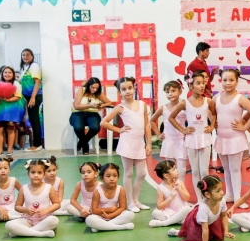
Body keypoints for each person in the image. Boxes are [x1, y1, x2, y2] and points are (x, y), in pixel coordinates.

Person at [102, 77, 152, 212]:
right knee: (128, 173)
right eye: (124, 89)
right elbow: (103, 122)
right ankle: (130, 202)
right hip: (127, 142)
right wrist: (119, 130)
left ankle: (136, 200)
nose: (128, 91)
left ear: (134, 88)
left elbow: (147, 125)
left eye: (130, 88)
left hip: (139, 142)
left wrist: (148, 144)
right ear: (120, 92)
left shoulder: (142, 104)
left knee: (141, 173)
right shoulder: (120, 108)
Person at [213, 69, 250, 208]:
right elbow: (211, 112)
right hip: (221, 138)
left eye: (231, 80)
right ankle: (229, 194)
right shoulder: (216, 98)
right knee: (226, 169)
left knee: (235, 169)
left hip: (235, 139)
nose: (228, 83)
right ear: (221, 81)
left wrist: (245, 127)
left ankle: (238, 198)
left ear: (237, 81)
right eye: (225, 80)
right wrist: (213, 123)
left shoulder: (240, 98)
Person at [168, 71, 216, 202]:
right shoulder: (184, 103)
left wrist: (212, 126)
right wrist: (183, 130)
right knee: (195, 171)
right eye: (198, 83)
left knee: (204, 171)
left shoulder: (208, 101)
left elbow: (214, 114)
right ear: (190, 86)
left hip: (204, 138)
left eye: (203, 83)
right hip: (191, 139)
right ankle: (200, 200)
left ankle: (206, 197)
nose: (202, 86)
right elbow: (171, 117)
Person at [168, 175, 236, 241]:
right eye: (218, 191)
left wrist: (226, 231)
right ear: (208, 194)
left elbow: (224, 216)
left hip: (210, 221)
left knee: (213, 236)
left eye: (222, 189)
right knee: (192, 236)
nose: (222, 193)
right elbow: (205, 229)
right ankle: (176, 232)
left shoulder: (222, 201)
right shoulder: (203, 208)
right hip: (197, 224)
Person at [5, 159, 60, 238]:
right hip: (28, 221)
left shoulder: (49, 188)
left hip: (45, 220)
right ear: (28, 174)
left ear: (44, 174)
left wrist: (46, 210)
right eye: (33, 172)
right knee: (8, 225)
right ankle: (40, 233)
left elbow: (57, 204)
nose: (36, 175)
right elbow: (17, 206)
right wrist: (26, 210)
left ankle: (23, 232)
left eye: (39, 173)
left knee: (54, 220)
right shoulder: (23, 188)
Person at [150, 80, 188, 180]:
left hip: (181, 140)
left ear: (180, 91)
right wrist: (158, 134)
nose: (170, 94)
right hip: (168, 140)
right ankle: (171, 188)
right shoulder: (163, 108)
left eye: (173, 91)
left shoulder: (184, 106)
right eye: (167, 92)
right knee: (170, 169)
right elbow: (152, 120)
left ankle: (181, 187)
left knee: (181, 170)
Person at [86, 163, 135, 232]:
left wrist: (110, 216)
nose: (112, 179)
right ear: (102, 178)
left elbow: (123, 208)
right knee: (89, 219)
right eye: (108, 176)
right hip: (101, 217)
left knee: (130, 214)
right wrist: (110, 209)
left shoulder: (120, 189)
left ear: (118, 177)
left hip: (116, 216)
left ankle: (101, 227)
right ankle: (120, 227)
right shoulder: (97, 190)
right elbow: (95, 210)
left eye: (115, 176)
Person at [70, 77, 112, 155]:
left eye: (97, 88)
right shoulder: (81, 90)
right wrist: (90, 105)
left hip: (92, 114)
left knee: (95, 128)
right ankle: (85, 145)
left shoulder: (98, 93)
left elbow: (109, 102)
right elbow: (76, 106)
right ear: (88, 85)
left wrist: (102, 105)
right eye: (93, 87)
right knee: (78, 127)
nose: (95, 90)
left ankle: (81, 143)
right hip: (78, 113)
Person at [149, 160, 193, 227]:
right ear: (166, 175)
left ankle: (165, 223)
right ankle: (179, 220)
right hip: (170, 212)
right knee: (155, 213)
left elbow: (187, 198)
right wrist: (170, 197)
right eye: (174, 169)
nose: (177, 170)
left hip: (182, 210)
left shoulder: (180, 183)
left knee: (187, 209)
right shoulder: (161, 188)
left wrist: (179, 189)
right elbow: (159, 206)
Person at [0, 66, 23, 159]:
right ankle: (0, 150)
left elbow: (18, 96)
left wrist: (7, 100)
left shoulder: (16, 84)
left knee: (10, 130)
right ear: (2, 73)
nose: (7, 74)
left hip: (11, 110)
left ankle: (9, 150)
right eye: (5, 72)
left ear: (13, 74)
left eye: (9, 72)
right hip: (0, 109)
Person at [20, 48, 43, 151]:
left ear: (32, 56)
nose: (25, 57)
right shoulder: (25, 67)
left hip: (34, 96)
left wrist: (33, 97)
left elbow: (37, 82)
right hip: (28, 97)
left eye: (28, 55)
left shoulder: (34, 66)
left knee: (34, 120)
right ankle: (36, 144)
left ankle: (37, 144)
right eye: (23, 55)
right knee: (33, 120)